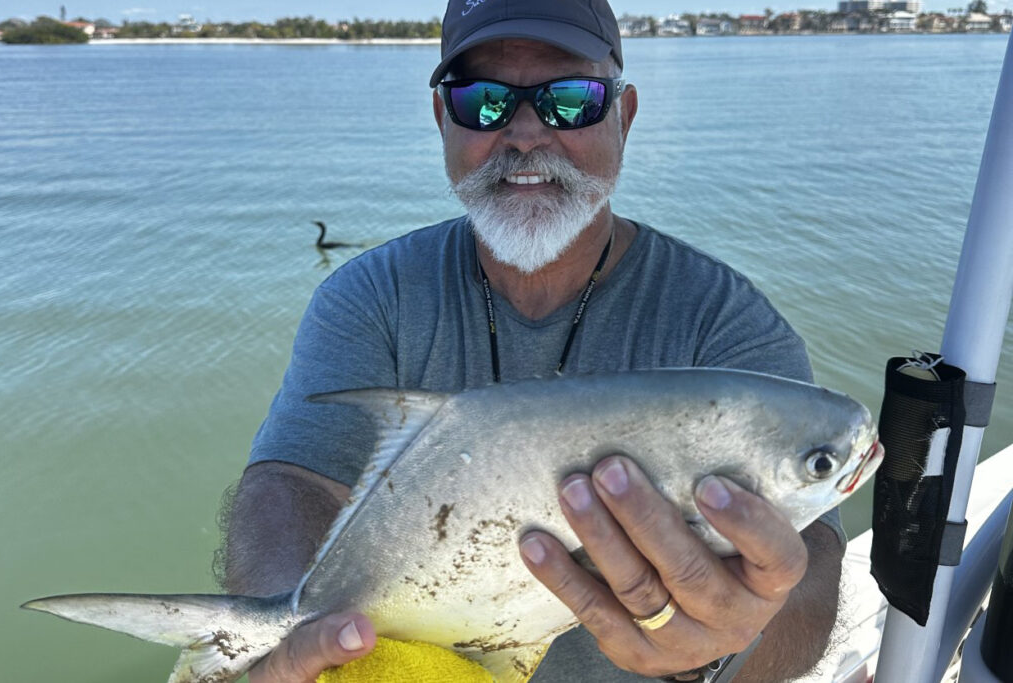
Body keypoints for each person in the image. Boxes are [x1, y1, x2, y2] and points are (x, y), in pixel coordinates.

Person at [222, 0, 845, 680]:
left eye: (570, 100)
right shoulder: (371, 296)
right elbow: (288, 478)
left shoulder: (724, 323)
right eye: (483, 101)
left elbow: (811, 569)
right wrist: (283, 631)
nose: (524, 134)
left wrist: (723, 642)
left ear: (624, 116)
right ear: (441, 119)